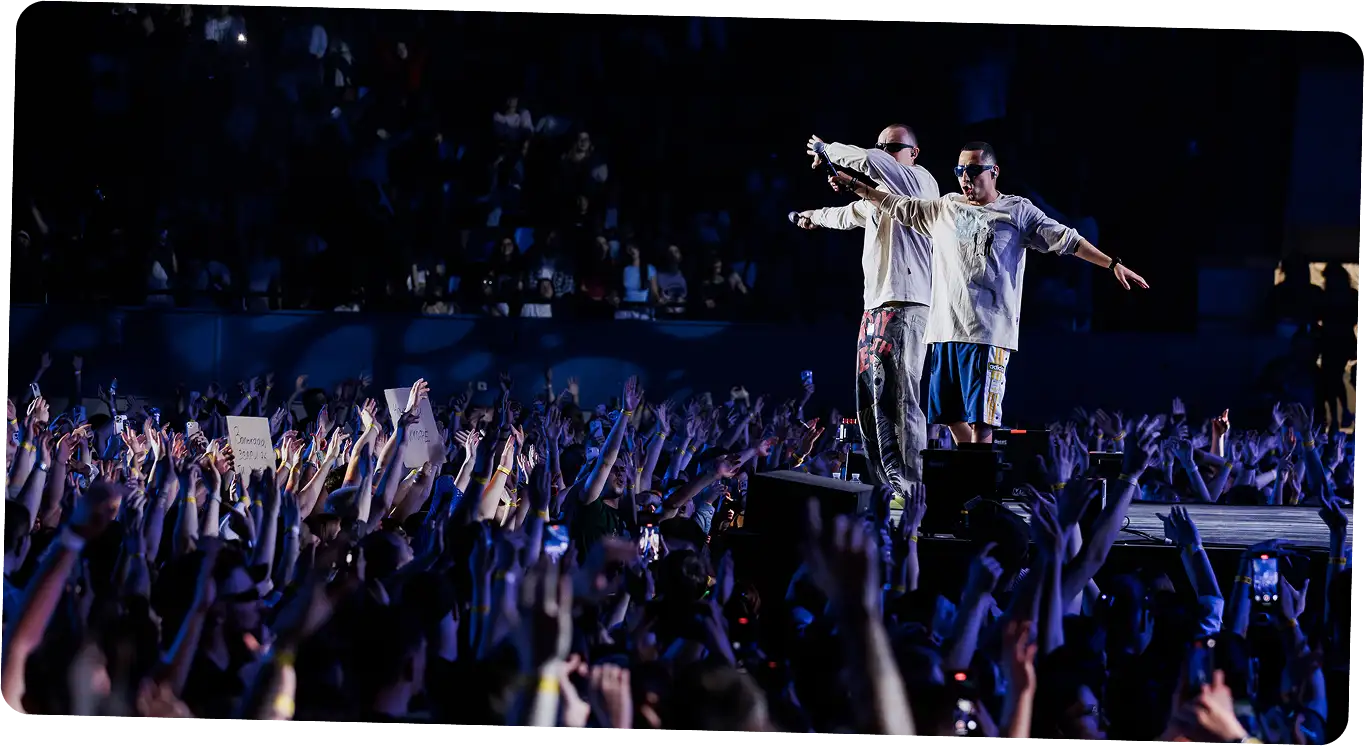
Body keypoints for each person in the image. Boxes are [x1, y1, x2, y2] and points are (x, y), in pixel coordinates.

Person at [829, 142, 1148, 443]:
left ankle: (978, 477)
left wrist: (1111, 264)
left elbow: (1067, 239)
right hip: (944, 332)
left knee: (982, 423)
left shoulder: (1016, 210)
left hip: (987, 333)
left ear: (994, 171)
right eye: (960, 171)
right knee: (948, 416)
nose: (965, 178)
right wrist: (857, 186)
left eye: (973, 170)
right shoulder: (946, 207)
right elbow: (898, 205)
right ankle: (971, 471)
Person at [792, 125, 940, 495]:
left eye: (893, 146)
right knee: (871, 400)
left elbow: (870, 161)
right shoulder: (876, 199)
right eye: (881, 145)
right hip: (875, 308)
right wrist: (811, 217)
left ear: (914, 153)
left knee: (902, 398)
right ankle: (886, 486)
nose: (885, 151)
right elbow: (845, 214)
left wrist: (828, 149)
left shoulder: (920, 182)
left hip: (907, 303)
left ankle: (912, 487)